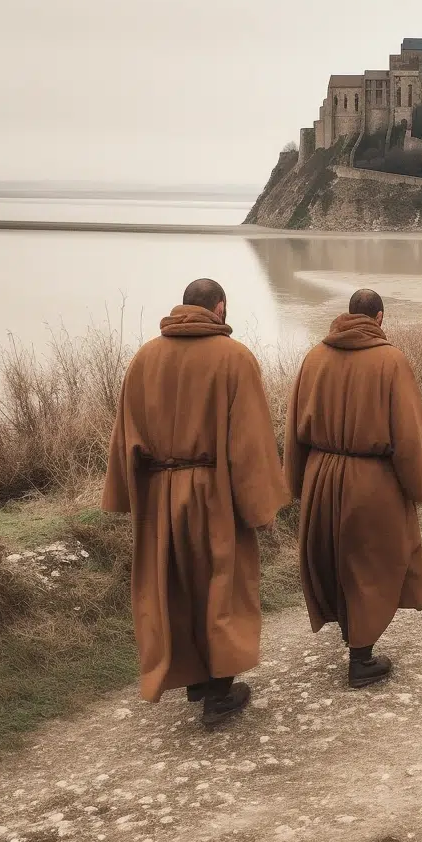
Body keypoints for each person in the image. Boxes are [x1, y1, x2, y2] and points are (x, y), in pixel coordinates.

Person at [102, 279, 289, 725]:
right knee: (222, 585)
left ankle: (198, 680)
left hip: (159, 494)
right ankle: (219, 694)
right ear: (219, 308)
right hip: (212, 490)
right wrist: (261, 508)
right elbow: (248, 443)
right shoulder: (235, 358)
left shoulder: (144, 358)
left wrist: (128, 496)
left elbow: (126, 435)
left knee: (176, 587)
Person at [285, 288, 422, 688]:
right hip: (371, 479)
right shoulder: (391, 360)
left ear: (347, 314)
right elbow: (409, 435)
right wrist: (419, 485)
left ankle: (352, 635)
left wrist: (296, 482)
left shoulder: (314, 357)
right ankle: (361, 658)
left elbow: (294, 429)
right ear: (380, 317)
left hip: (321, 474)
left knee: (337, 558)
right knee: (371, 563)